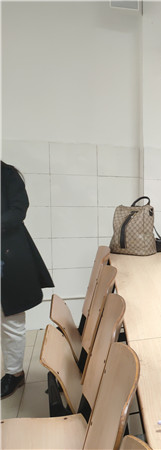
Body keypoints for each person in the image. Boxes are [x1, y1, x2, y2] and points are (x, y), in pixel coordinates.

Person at [1, 161, 54, 399]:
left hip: (8, 254)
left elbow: (18, 210)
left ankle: (14, 374)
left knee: (10, 320)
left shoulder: (7, 174)